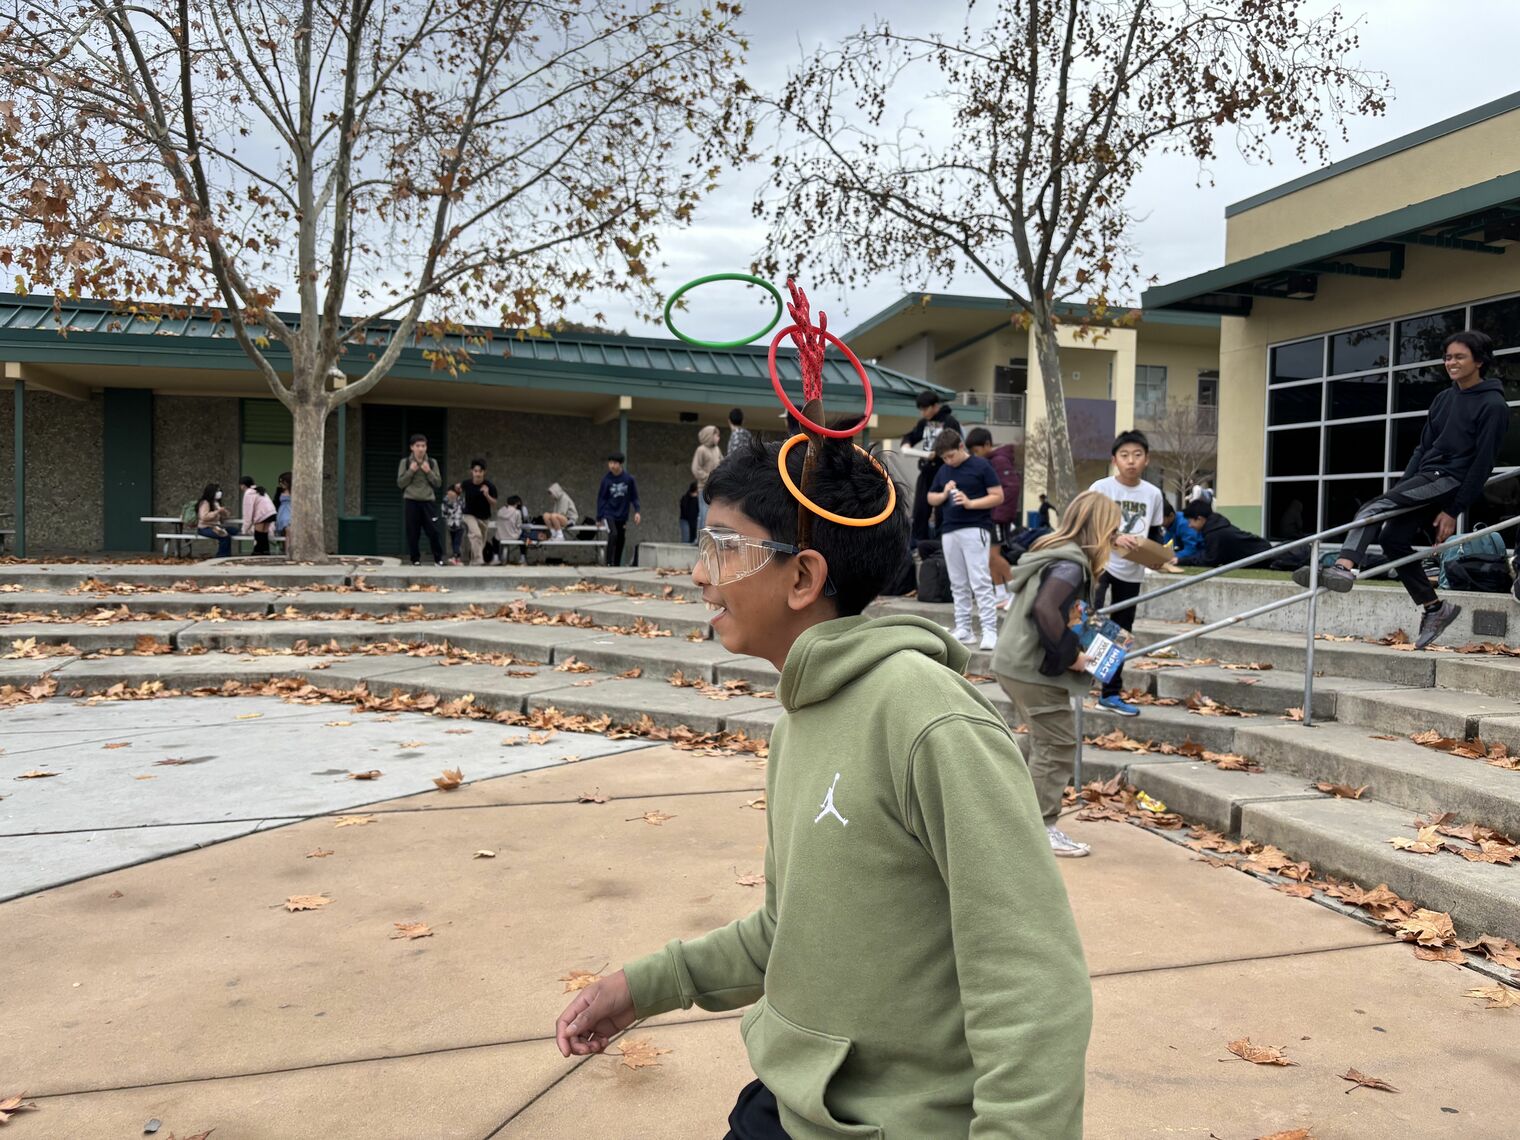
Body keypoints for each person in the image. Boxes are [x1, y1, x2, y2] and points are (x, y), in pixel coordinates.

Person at [555, 434, 1091, 1138]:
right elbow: (788, 933)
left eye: (724, 546)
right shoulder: (800, 720)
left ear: (803, 578)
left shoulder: (930, 719)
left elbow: (1033, 986)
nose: (697, 572)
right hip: (782, 1105)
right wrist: (646, 985)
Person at [1293, 329, 1510, 649]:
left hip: (1449, 479)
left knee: (1371, 509)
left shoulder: (1493, 405)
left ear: (1479, 361)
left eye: (1459, 357)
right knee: (1392, 538)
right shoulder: (1444, 398)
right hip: (1425, 477)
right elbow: (1422, 449)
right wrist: (1404, 486)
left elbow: (1483, 464)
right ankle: (1435, 608)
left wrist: (1453, 510)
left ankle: (1343, 567)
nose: (1451, 362)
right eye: (1448, 357)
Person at [993, 491, 1123, 858]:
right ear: (1099, 526)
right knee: (1058, 742)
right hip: (1032, 668)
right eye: (1112, 529)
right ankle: (1040, 828)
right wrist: (1074, 659)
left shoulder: (1055, 553)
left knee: (1040, 742)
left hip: (1015, 663)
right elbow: (1047, 609)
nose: (1114, 537)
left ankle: (1018, 817)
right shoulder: (1070, 563)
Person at [1088, 430, 1166, 718]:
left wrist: (1159, 558)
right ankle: (1079, 679)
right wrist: (1114, 537)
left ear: (1146, 460)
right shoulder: (1102, 487)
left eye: (1137, 455)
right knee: (1088, 620)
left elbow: (1155, 533)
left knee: (1120, 633)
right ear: (1114, 460)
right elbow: (1086, 522)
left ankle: (1109, 694)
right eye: (1124, 455)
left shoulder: (1153, 493)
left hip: (1132, 571)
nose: (1131, 461)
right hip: (1101, 562)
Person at [926, 430, 1004, 650]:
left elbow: (998, 496)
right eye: (944, 458)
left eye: (951, 455)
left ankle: (989, 630)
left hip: (975, 527)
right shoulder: (943, 470)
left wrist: (971, 503)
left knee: (979, 580)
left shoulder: (981, 466)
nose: (948, 461)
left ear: (961, 447)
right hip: (949, 529)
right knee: (957, 582)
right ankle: (964, 628)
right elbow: (930, 497)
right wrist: (943, 494)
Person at [900, 390, 964, 545]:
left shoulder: (949, 421)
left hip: (944, 470)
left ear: (935, 406)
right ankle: (917, 543)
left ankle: (941, 543)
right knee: (921, 509)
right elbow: (912, 435)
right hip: (927, 470)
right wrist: (907, 444)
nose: (923, 412)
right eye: (921, 409)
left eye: (925, 408)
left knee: (943, 509)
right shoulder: (924, 423)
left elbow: (956, 445)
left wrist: (941, 454)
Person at [967, 426, 1019, 607]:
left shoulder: (999, 461)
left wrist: (999, 514)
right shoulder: (991, 461)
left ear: (987, 444)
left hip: (997, 516)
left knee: (993, 556)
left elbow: (1011, 489)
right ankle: (1001, 594)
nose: (975, 455)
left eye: (977, 450)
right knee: (989, 558)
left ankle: (1015, 592)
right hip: (990, 516)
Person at [396, 433, 445, 566]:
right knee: (413, 532)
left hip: (428, 501)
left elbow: (438, 483)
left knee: (434, 531)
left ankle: (438, 559)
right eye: (417, 446)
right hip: (411, 501)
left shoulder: (432, 462)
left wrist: (428, 471)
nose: (421, 449)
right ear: (412, 447)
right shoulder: (405, 462)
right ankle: (415, 559)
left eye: (423, 446)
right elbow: (400, 483)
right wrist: (411, 471)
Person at [1176, 500, 1271, 567]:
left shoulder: (1214, 533)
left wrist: (1181, 561)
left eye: (1190, 522)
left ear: (1200, 519)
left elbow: (1209, 559)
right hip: (1262, 549)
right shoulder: (1215, 527)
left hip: (1263, 556)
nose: (1189, 526)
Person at [596, 452, 642, 567]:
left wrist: (637, 511)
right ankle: (608, 562)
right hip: (609, 512)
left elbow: (634, 496)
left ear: (620, 464)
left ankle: (616, 563)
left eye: (615, 463)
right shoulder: (606, 480)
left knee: (621, 538)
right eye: (610, 463)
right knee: (613, 534)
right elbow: (601, 498)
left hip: (622, 513)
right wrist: (599, 516)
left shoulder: (628, 479)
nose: (612, 466)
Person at [460, 459, 498, 565]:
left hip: (484, 517)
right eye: (475, 471)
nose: (477, 474)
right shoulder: (466, 484)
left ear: (484, 472)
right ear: (472, 471)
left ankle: (473, 562)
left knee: (481, 542)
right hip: (469, 515)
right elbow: (457, 490)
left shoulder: (489, 486)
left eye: (480, 471)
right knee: (476, 535)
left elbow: (494, 503)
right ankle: (478, 560)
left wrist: (487, 495)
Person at [195, 482, 239, 558]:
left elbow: (224, 517)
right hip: (205, 528)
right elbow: (204, 517)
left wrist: (224, 512)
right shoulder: (205, 503)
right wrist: (217, 512)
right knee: (224, 537)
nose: (219, 493)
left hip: (216, 526)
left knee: (234, 530)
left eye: (220, 491)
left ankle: (225, 554)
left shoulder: (216, 503)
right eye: (217, 491)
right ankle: (222, 556)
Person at [691, 425, 722, 530]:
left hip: (715, 488)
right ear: (710, 436)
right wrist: (709, 477)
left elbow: (723, 464)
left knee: (712, 512)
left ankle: (708, 536)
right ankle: (700, 537)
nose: (718, 438)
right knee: (704, 512)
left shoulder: (717, 450)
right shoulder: (701, 450)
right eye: (716, 435)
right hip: (703, 487)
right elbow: (696, 469)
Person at [1160, 499, 1204, 563]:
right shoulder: (1169, 524)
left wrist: (1173, 557)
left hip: (1200, 553)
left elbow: (1192, 548)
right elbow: (1166, 546)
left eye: (1160, 518)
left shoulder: (1183, 523)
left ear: (1171, 515)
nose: (1158, 522)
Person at [247, 484, 278, 555]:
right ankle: (265, 551)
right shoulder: (262, 493)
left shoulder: (249, 494)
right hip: (271, 513)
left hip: (262, 514)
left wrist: (246, 527)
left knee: (258, 533)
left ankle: (257, 551)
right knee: (264, 533)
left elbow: (248, 509)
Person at [496, 495, 526, 564]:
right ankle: (523, 557)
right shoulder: (517, 512)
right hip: (513, 536)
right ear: (517, 503)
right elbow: (519, 525)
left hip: (501, 536)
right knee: (524, 537)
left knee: (494, 538)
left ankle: (496, 557)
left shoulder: (500, 511)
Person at [441, 484, 465, 564]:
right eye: (448, 493)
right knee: (453, 541)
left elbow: (463, 510)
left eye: (452, 492)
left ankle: (456, 557)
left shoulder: (460, 500)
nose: (450, 494)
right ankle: (456, 558)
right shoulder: (445, 500)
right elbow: (444, 513)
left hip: (460, 524)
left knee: (457, 542)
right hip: (450, 525)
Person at [274, 472, 292, 542]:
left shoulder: (295, 490)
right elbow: (275, 502)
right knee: (288, 529)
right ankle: (287, 551)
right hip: (283, 512)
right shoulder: (279, 490)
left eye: (283, 482)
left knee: (290, 532)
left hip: (292, 511)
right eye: (280, 482)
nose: (281, 483)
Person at [238, 475, 258, 540]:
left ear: (243, 485)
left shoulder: (248, 494)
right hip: (267, 522)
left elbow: (247, 514)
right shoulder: (257, 491)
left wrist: (244, 530)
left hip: (259, 522)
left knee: (259, 543)